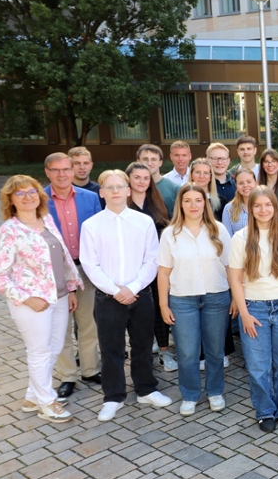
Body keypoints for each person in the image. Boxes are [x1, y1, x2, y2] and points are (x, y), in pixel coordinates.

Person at [0, 176, 81, 423]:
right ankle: (46, 403)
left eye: (32, 192)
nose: (28, 197)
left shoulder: (47, 220)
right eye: (20, 193)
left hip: (60, 296)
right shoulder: (10, 230)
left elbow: (62, 259)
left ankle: (33, 395)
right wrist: (27, 298)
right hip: (33, 303)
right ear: (10, 199)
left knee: (55, 348)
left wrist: (71, 288)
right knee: (39, 351)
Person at [80, 170, 171, 422]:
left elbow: (152, 258)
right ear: (102, 192)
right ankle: (113, 396)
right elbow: (90, 264)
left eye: (120, 186)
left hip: (140, 295)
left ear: (129, 190)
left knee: (142, 345)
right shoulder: (91, 226)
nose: (116, 191)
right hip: (108, 298)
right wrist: (116, 289)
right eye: (110, 187)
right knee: (112, 349)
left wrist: (133, 287)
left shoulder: (143, 222)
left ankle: (146, 389)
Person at [228, 186, 278, 432]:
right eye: (257, 205)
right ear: (250, 208)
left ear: (275, 207)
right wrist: (244, 314)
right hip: (254, 308)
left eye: (267, 204)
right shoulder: (240, 238)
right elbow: (235, 280)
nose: (263, 210)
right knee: (258, 365)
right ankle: (265, 411)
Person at [157, 184, 232, 416]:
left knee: (215, 349)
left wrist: (237, 299)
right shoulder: (170, 234)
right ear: (180, 204)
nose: (193, 205)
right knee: (187, 352)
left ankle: (214, 391)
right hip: (183, 300)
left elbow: (230, 266)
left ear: (205, 203)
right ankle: (190, 394)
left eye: (198, 200)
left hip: (216, 297)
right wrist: (163, 304)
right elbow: (163, 272)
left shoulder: (218, 229)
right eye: (187, 200)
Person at [43, 152, 102, 402]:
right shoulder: (39, 200)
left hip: (85, 269)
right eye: (56, 170)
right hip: (54, 272)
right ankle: (67, 376)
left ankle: (90, 370)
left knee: (88, 322)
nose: (62, 174)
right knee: (61, 327)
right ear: (47, 172)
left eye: (66, 169)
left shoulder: (90, 198)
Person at [126, 161, 174, 371]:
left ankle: (164, 351)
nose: (142, 182)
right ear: (128, 179)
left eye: (146, 178)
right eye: (137, 177)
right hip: (131, 268)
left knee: (159, 307)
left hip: (156, 266)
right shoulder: (123, 205)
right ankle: (143, 353)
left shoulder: (156, 202)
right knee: (138, 312)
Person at [138, 144, 178, 215]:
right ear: (138, 161)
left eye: (153, 159)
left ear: (160, 163)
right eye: (145, 159)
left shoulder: (174, 188)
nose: (149, 163)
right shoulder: (130, 188)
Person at [222, 168, 257, 237]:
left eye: (249, 182)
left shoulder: (267, 205)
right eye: (241, 183)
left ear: (256, 183)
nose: (245, 185)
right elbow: (227, 237)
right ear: (236, 186)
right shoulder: (229, 208)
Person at [207, 143, 236, 221]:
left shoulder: (237, 186)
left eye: (223, 158)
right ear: (207, 160)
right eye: (215, 158)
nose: (219, 162)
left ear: (228, 161)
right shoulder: (204, 188)